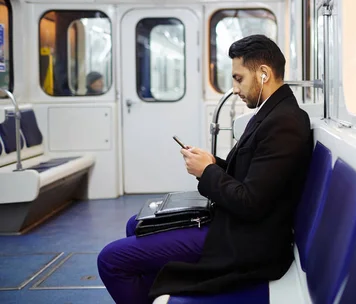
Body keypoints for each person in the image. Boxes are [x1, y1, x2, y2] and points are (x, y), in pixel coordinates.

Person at [97, 34, 312, 303]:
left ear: (264, 74)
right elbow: (253, 174)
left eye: (239, 78)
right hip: (239, 224)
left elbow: (251, 202)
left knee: (111, 260)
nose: (235, 89)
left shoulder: (285, 123)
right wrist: (211, 163)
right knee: (136, 225)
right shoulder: (272, 113)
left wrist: (206, 172)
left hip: (250, 243)